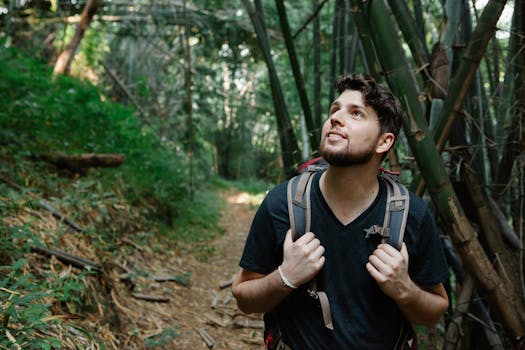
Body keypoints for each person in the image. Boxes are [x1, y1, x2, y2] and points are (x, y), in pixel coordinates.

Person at [231, 73, 449, 349]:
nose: (335, 118)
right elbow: (244, 297)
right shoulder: (282, 203)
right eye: (334, 110)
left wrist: (403, 288)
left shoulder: (411, 215)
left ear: (384, 142)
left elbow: (434, 311)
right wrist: (285, 277)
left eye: (356, 114)